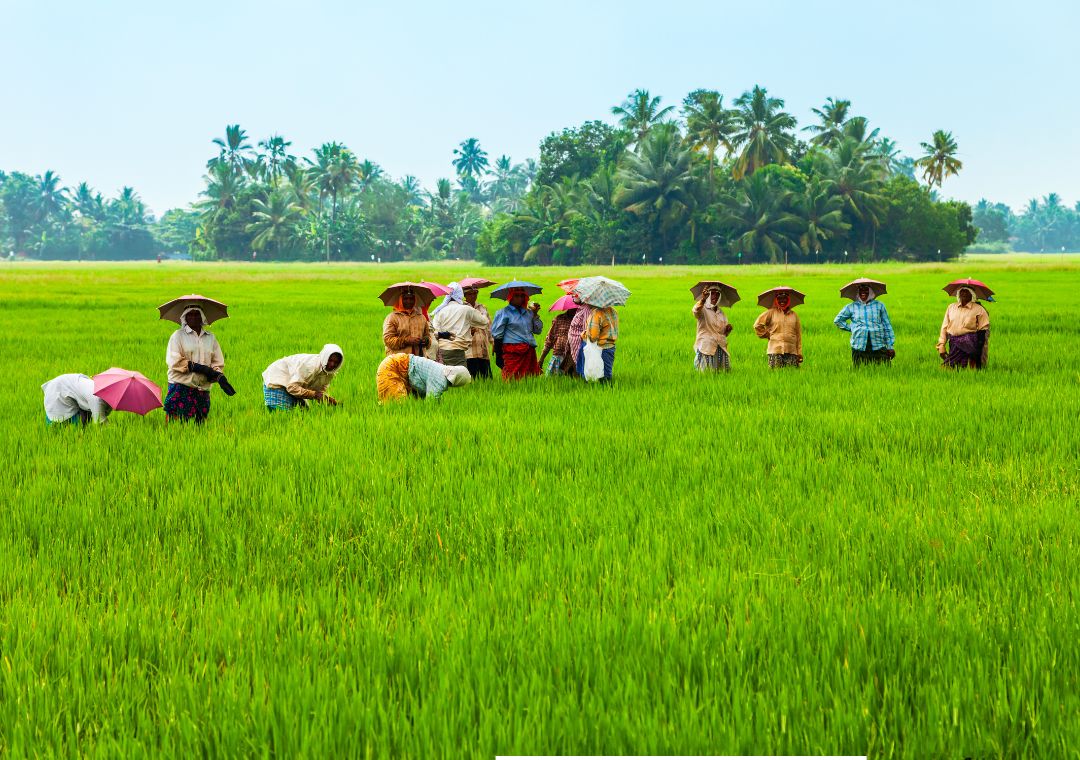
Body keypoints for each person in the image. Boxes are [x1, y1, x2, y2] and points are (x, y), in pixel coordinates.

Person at [164, 306, 233, 423]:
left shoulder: (210, 338)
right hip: (181, 387)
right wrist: (201, 368)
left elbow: (217, 362)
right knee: (175, 425)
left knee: (200, 426)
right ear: (185, 317)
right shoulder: (178, 336)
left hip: (202, 388)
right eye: (190, 314)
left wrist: (218, 375)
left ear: (202, 317)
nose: (193, 317)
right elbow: (174, 360)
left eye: (197, 314)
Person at [262, 344, 344, 412]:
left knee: (305, 412)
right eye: (330, 360)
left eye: (336, 362)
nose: (332, 364)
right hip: (278, 378)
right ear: (325, 357)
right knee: (284, 412)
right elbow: (292, 387)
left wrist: (327, 400)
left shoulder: (329, 373)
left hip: (293, 384)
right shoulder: (310, 366)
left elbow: (319, 391)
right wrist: (315, 395)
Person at [834, 284, 896, 366]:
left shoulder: (879, 306)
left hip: (878, 345)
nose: (863, 292)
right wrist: (853, 328)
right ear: (858, 292)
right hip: (859, 346)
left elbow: (887, 326)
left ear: (870, 292)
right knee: (860, 372)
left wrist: (890, 346)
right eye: (861, 290)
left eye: (866, 290)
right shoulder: (851, 307)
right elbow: (838, 320)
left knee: (884, 370)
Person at [431, 282, 490, 368]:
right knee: (460, 378)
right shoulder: (466, 309)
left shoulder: (440, 311)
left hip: (442, 350)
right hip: (457, 350)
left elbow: (435, 331)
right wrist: (483, 313)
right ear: (461, 294)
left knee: (445, 376)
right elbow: (484, 322)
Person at [491, 289, 543, 380]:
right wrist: (498, 355)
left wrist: (535, 315)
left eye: (522, 296)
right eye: (516, 296)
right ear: (510, 297)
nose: (520, 298)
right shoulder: (503, 313)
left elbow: (538, 331)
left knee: (528, 379)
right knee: (511, 378)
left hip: (528, 351)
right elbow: (498, 335)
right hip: (512, 352)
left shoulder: (529, 313)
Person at [376, 353, 471, 403]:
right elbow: (431, 402)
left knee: (404, 404)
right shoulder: (440, 379)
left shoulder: (443, 371)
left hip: (397, 362)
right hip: (393, 367)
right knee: (397, 405)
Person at [938, 286, 990, 369]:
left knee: (970, 369)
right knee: (951, 368)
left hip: (970, 345)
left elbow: (983, 331)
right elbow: (944, 327)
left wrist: (979, 350)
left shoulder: (979, 309)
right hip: (954, 343)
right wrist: (941, 344)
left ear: (972, 295)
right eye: (962, 291)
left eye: (967, 291)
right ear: (958, 294)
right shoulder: (951, 307)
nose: (964, 293)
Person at [753, 291, 802, 368]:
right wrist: (767, 335)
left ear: (788, 300)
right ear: (776, 300)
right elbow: (757, 325)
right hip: (775, 350)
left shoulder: (794, 315)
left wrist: (799, 352)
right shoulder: (771, 313)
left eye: (784, 299)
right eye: (779, 299)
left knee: (791, 376)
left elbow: (798, 335)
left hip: (791, 350)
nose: (782, 301)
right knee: (775, 375)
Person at [383, 287, 435, 357]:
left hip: (419, 359)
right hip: (398, 360)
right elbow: (388, 340)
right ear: (400, 300)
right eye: (405, 299)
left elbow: (427, 336)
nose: (409, 301)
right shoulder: (392, 317)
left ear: (415, 300)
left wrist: (426, 341)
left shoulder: (421, 317)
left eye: (411, 299)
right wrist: (407, 340)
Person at [41, 373, 111, 425]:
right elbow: (99, 421)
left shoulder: (104, 391)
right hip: (58, 390)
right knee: (66, 424)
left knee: (84, 422)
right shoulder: (97, 398)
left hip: (71, 386)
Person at [693, 287, 733, 372]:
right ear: (708, 294)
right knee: (705, 373)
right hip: (706, 346)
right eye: (713, 293)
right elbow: (695, 312)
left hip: (720, 346)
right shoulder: (703, 308)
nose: (715, 296)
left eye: (718, 294)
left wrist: (727, 329)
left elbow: (722, 333)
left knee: (721, 373)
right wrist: (703, 300)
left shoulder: (721, 313)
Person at [577, 305, 618, 381]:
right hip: (611, 346)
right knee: (607, 373)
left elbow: (593, 337)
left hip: (600, 348)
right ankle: (608, 390)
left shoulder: (596, 313)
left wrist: (584, 334)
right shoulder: (613, 310)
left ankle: (598, 389)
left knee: (598, 374)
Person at [463, 285, 494, 379]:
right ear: (465, 295)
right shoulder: (462, 308)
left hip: (483, 349)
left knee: (487, 379)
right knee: (472, 378)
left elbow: (489, 327)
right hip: (469, 351)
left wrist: (493, 342)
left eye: (475, 293)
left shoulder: (482, 308)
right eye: (470, 293)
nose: (473, 295)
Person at [539, 306, 578, 376]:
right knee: (555, 381)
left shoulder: (580, 320)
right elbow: (550, 339)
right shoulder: (559, 319)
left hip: (574, 358)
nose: (574, 308)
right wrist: (541, 359)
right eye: (572, 306)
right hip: (558, 356)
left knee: (572, 381)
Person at [566, 296, 593, 380]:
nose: (573, 296)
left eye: (576, 294)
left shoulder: (586, 309)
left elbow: (586, 330)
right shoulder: (581, 308)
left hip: (580, 345)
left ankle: (584, 383)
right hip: (575, 345)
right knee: (577, 366)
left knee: (582, 367)